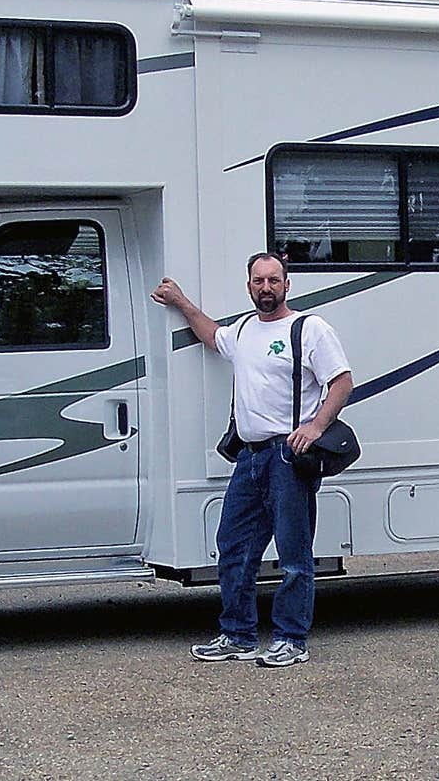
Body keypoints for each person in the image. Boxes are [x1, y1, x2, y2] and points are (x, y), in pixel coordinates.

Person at [151, 252, 352, 668]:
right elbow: (212, 336)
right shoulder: (242, 330)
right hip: (249, 456)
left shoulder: (308, 329)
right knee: (234, 547)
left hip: (287, 457)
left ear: (286, 285)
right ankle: (238, 634)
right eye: (259, 281)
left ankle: (291, 639)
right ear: (249, 286)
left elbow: (342, 381)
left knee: (294, 555)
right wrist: (183, 303)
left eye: (274, 280)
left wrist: (314, 427)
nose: (266, 288)